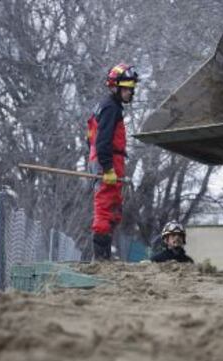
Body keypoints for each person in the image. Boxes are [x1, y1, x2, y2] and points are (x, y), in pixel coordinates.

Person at [87, 63, 138, 260]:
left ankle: (106, 254)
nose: (130, 93)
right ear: (115, 87)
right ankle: (101, 258)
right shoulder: (110, 108)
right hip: (107, 159)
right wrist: (107, 167)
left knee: (114, 207)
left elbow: (89, 137)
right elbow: (102, 140)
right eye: (127, 88)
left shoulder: (106, 106)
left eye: (131, 89)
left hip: (107, 159)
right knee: (105, 205)